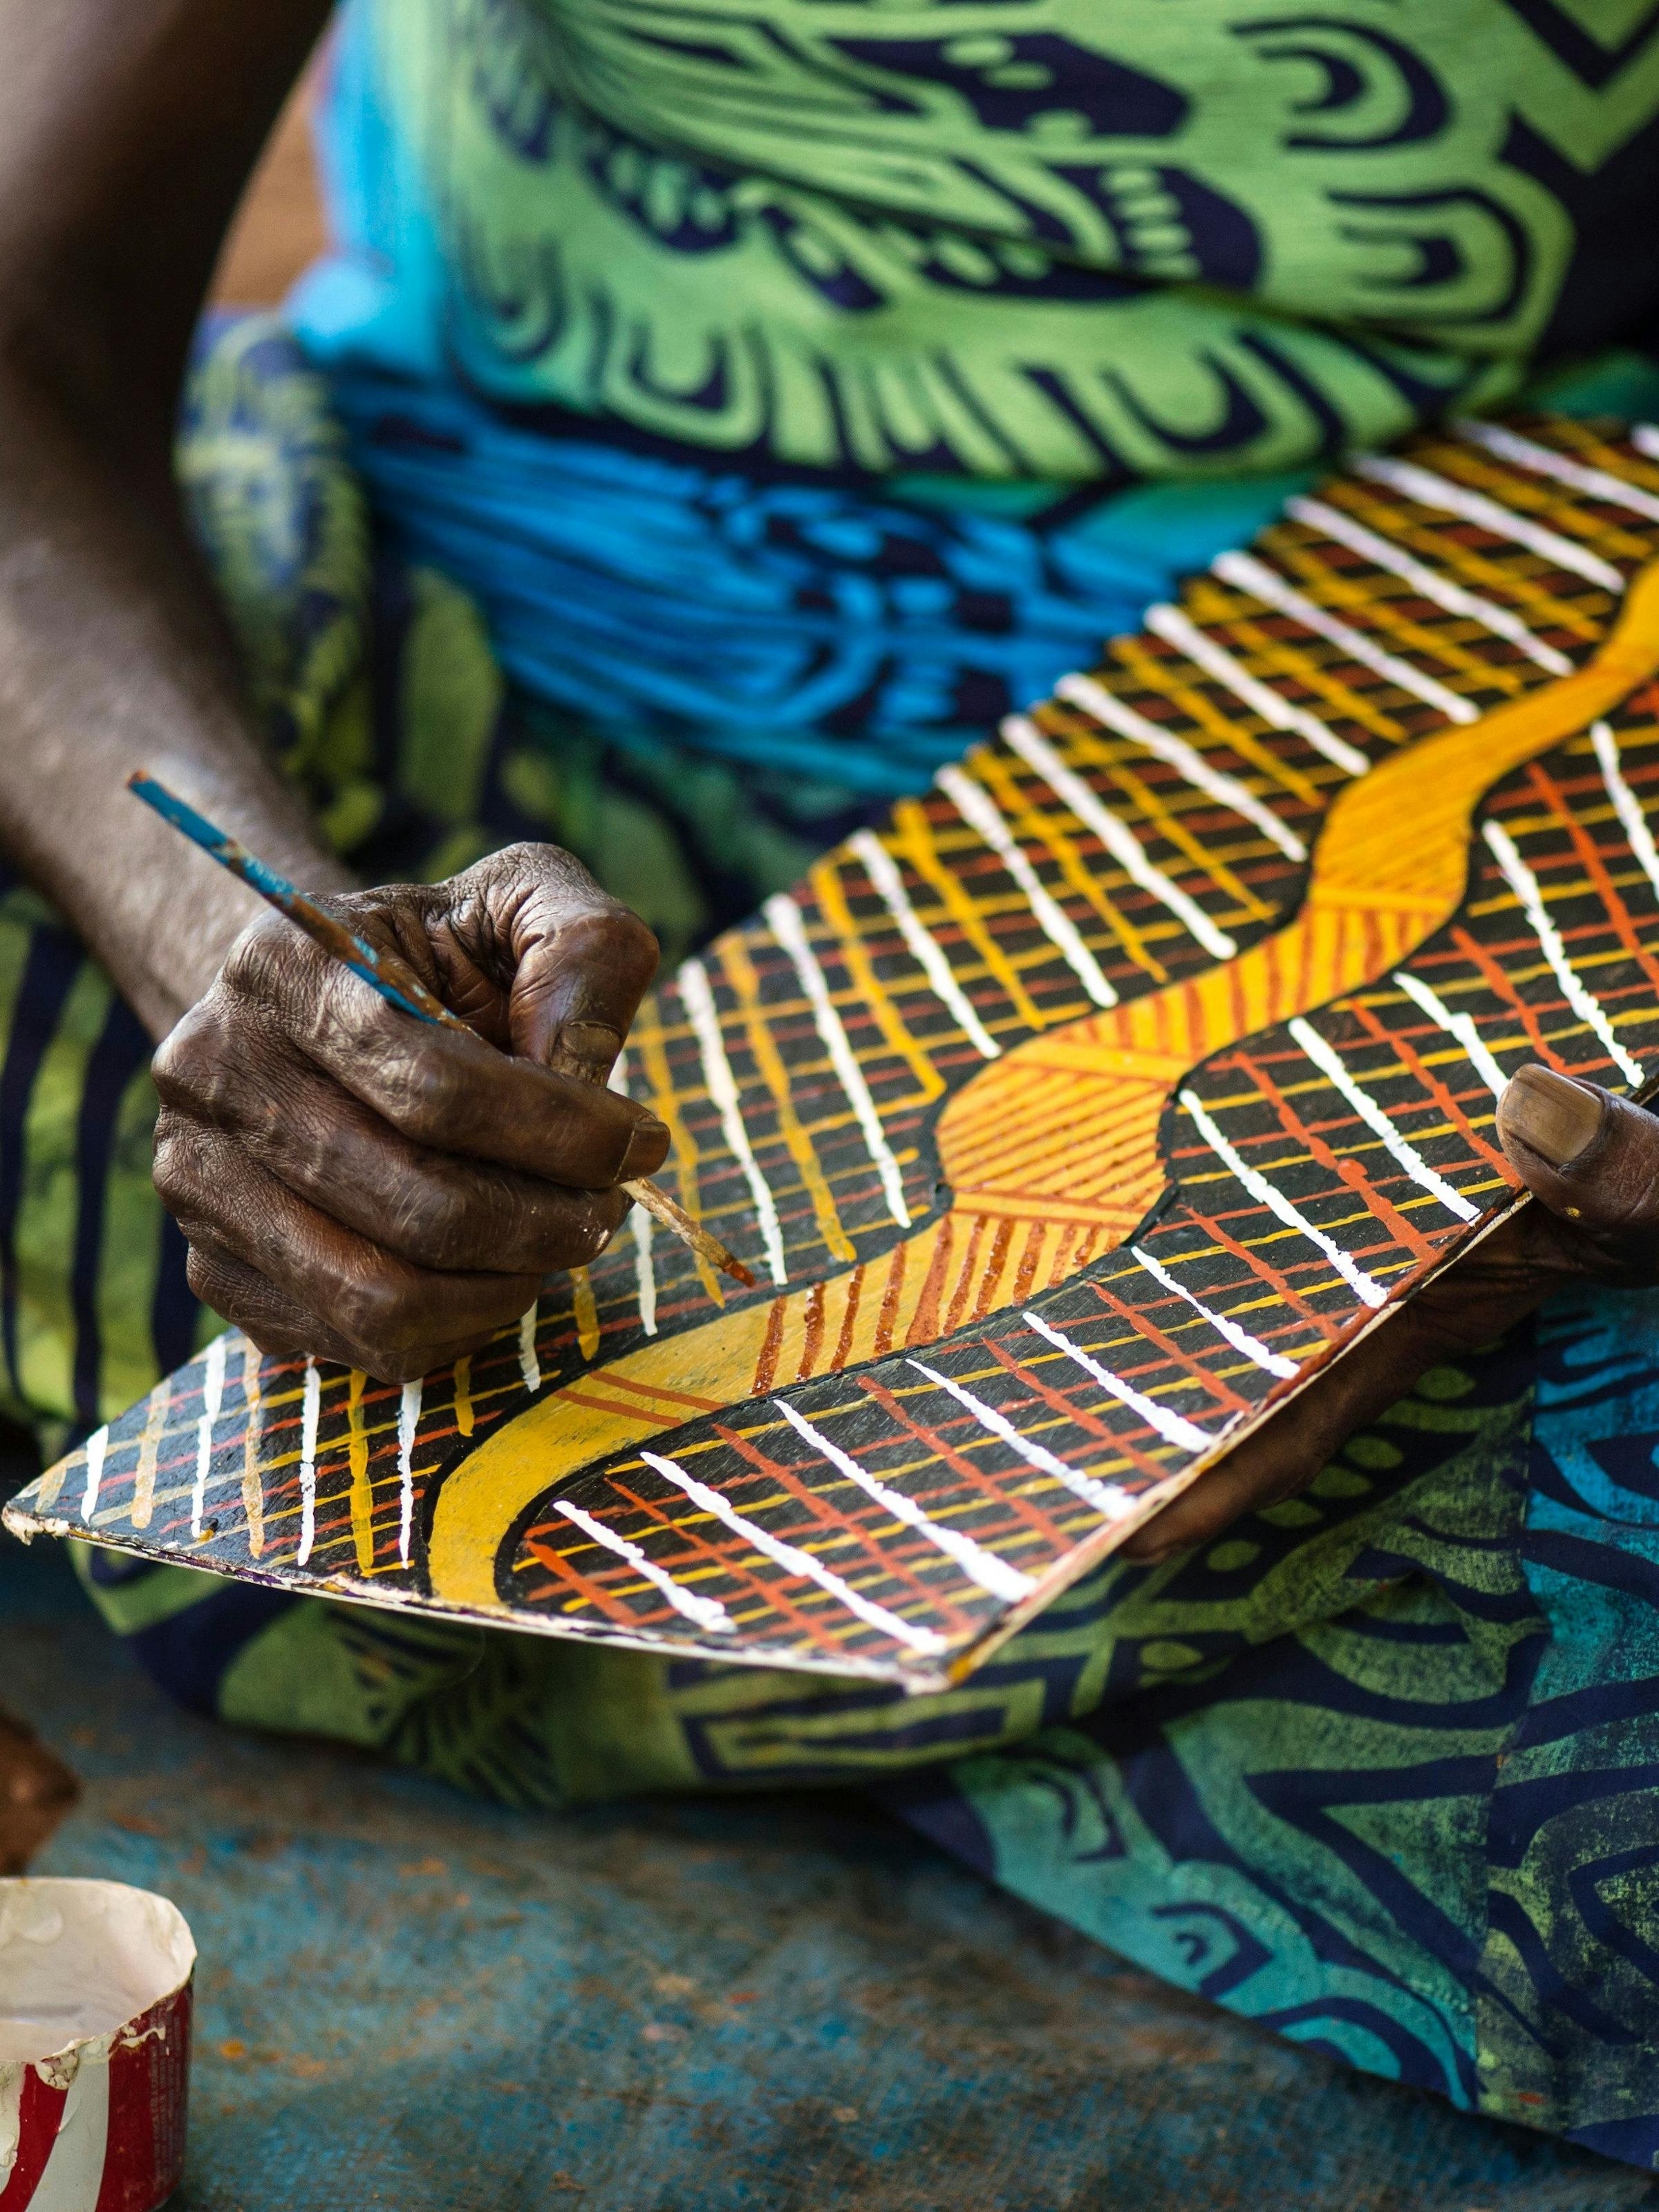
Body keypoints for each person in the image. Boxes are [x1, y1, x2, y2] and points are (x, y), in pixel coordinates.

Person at [4, 0, 1659, 2157]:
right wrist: (239, 945)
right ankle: (984, 1647)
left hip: (1409, 789)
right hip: (443, 702)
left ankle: (799, 1622)